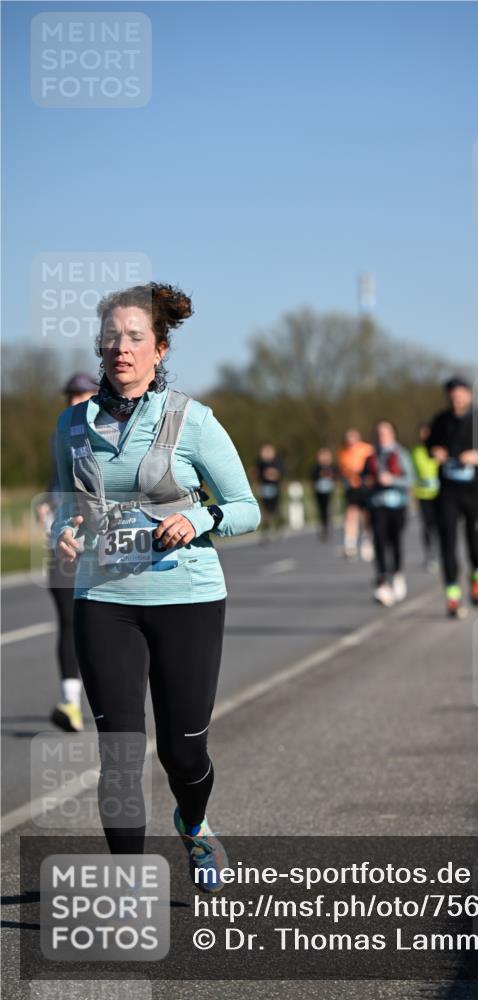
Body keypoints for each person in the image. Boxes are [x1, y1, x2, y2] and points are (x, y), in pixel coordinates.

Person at [53, 282, 260, 891]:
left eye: (135, 337)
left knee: (183, 751)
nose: (122, 347)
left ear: (159, 349)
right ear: (100, 346)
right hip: (103, 598)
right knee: (118, 752)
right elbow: (67, 504)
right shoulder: (71, 424)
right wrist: (64, 531)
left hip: (187, 597)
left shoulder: (194, 420)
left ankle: (193, 823)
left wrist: (198, 519)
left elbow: (246, 507)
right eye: (112, 337)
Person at [36, 372, 98, 733]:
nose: (74, 401)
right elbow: (57, 480)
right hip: (63, 542)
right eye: (70, 396)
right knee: (69, 620)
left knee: (105, 622)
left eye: (82, 395)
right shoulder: (60, 434)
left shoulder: (108, 433)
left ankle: (116, 699)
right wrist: (46, 504)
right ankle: (71, 703)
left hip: (102, 544)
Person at [427, 376, 478, 618]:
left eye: (460, 396)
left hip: (474, 490)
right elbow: (429, 445)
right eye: (452, 397)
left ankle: (476, 579)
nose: (456, 401)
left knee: (473, 544)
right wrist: (434, 451)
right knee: (447, 543)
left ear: (469, 395)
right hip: (448, 490)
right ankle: (452, 596)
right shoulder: (440, 421)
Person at [362, 420, 413, 607]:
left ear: (392, 434)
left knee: (395, 541)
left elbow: (410, 479)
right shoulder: (371, 456)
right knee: (379, 542)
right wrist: (368, 481)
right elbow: (363, 479)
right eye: (378, 434)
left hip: (397, 505)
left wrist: (391, 480)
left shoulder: (401, 454)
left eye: (384, 433)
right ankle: (382, 581)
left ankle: (397, 573)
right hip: (377, 505)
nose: (381, 437)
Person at [337, 428, 374, 561]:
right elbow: (343, 471)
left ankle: (366, 541)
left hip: (365, 487)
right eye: (348, 438)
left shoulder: (367, 449)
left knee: (366, 515)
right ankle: (350, 544)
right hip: (352, 488)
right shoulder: (343, 453)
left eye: (353, 437)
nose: (350, 440)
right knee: (351, 514)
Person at [411, 423, 440, 572]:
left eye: (426, 433)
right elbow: (412, 473)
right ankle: (430, 554)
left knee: (441, 525)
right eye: (422, 433)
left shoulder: (439, 450)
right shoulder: (416, 451)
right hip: (423, 494)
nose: (424, 436)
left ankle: (441, 552)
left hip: (440, 494)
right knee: (428, 526)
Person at [255, 443, 284, 540]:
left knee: (275, 509)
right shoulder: (260, 463)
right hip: (264, 489)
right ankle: (266, 529)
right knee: (265, 510)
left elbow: (280, 474)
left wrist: (273, 475)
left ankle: (278, 526)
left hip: (274, 489)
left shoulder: (277, 462)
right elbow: (258, 474)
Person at [311, 447, 338, 541]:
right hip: (319, 492)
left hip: (329, 492)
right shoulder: (316, 468)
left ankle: (327, 525)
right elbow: (313, 477)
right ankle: (323, 526)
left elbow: (335, 477)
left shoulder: (332, 467)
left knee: (328, 508)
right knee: (321, 509)